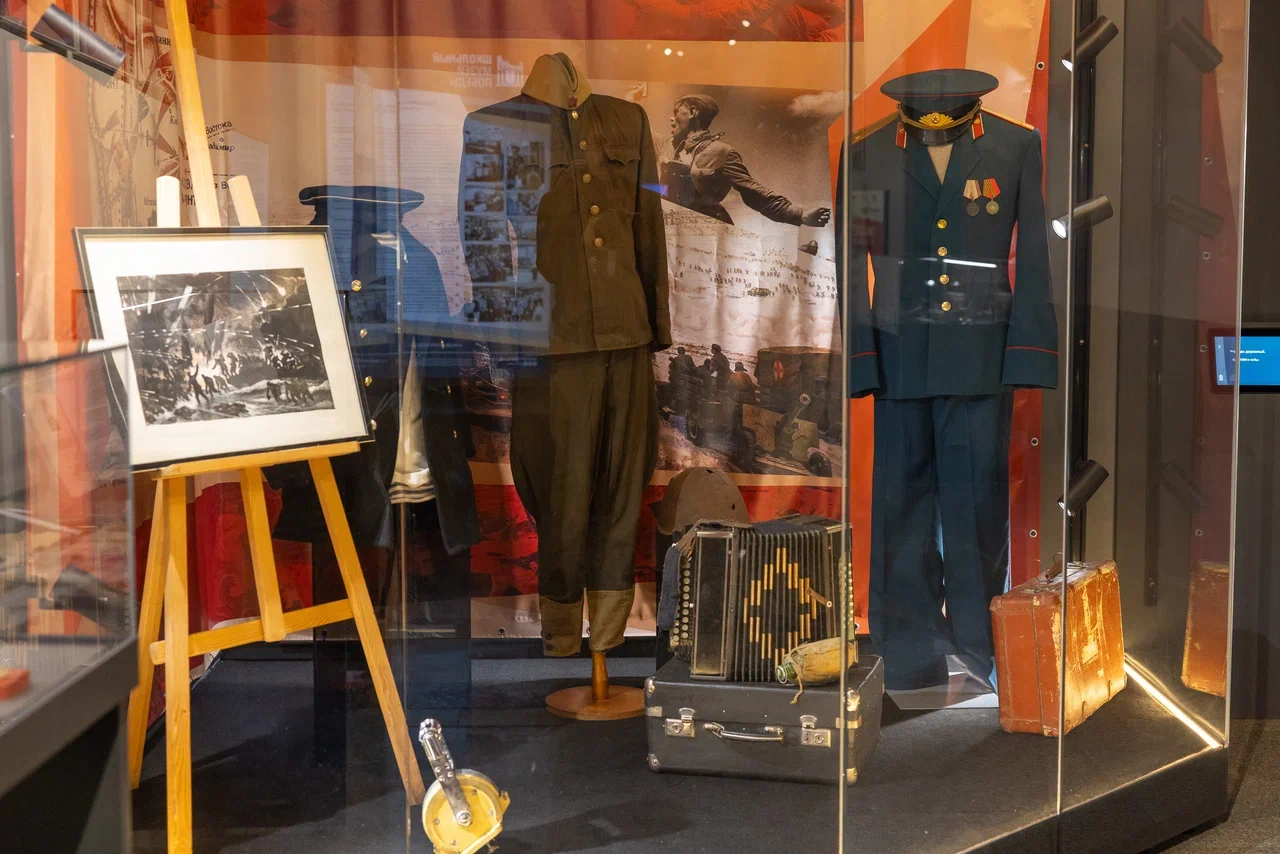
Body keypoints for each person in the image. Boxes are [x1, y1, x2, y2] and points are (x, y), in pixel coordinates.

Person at [660, 94, 832, 227]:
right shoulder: (667, 146)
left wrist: (800, 215)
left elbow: (755, 194)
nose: (671, 119)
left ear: (692, 112)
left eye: (675, 113)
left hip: (703, 232)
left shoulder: (722, 152)